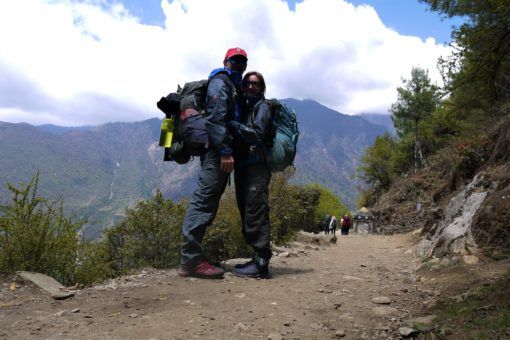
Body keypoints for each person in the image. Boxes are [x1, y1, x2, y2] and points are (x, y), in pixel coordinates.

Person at [178, 47, 248, 279]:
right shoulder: (221, 82)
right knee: (203, 202)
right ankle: (191, 262)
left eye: (242, 62)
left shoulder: (231, 85)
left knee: (208, 204)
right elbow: (217, 118)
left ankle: (195, 257)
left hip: (219, 152)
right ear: (225, 61)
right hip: (217, 153)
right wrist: (225, 152)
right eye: (234, 61)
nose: (238, 65)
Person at [229, 71, 274, 279]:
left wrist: (235, 125)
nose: (251, 87)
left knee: (256, 210)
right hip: (245, 166)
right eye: (248, 83)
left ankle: (261, 264)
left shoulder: (262, 107)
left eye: (256, 84)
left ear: (262, 87)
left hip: (257, 167)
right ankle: (256, 258)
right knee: (247, 211)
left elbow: (257, 134)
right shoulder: (247, 108)